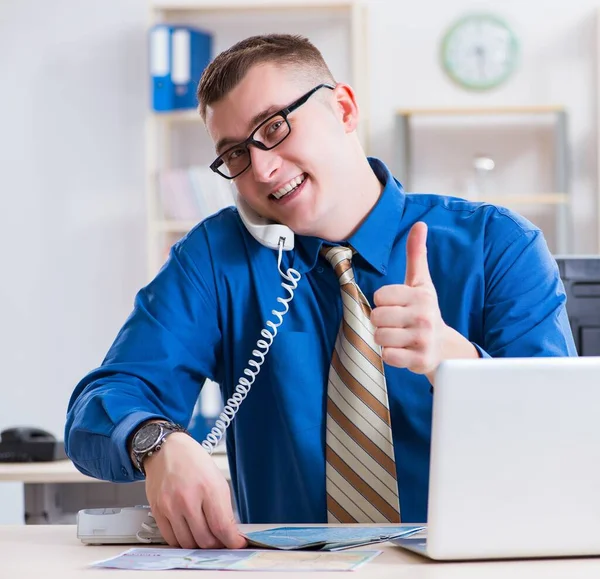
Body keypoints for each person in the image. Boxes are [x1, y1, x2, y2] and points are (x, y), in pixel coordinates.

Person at [65, 34, 577, 551]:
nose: (262, 169)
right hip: (293, 569)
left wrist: (456, 360)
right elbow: (98, 406)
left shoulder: (497, 244)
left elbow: (567, 439)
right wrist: (156, 442)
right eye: (236, 154)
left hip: (473, 564)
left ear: (344, 108)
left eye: (274, 127)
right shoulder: (215, 257)